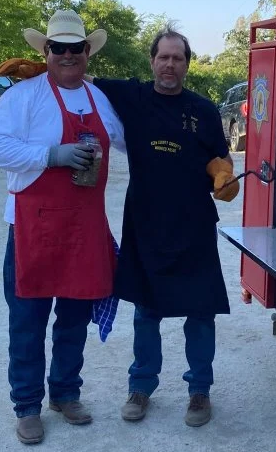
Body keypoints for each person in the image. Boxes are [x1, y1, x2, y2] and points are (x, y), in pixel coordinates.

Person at [0, 10, 125, 445]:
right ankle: (27, 406)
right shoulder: (22, 97)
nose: (67, 55)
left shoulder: (99, 99)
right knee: (28, 321)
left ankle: (65, 393)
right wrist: (50, 155)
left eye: (75, 48)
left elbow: (128, 141)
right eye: (57, 47)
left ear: (87, 52)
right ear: (45, 51)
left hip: (84, 227)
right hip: (33, 227)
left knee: (74, 319)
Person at [91, 23, 238, 427]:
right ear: (152, 61)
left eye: (177, 58)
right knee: (146, 310)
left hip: (193, 225)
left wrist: (223, 176)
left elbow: (221, 158)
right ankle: (141, 386)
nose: (169, 64)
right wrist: (41, 70)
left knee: (201, 311)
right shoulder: (132, 96)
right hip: (146, 223)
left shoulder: (203, 110)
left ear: (187, 64)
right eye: (163, 57)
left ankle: (199, 391)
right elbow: (81, 79)